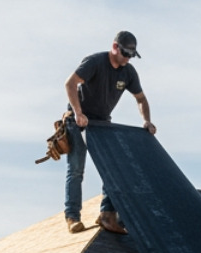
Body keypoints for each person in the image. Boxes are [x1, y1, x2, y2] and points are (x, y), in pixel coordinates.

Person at [63, 31, 155, 235]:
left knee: (113, 168)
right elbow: (70, 84)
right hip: (79, 121)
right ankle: (72, 217)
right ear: (115, 47)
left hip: (102, 123)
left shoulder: (128, 73)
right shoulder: (94, 62)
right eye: (125, 54)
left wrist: (146, 121)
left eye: (131, 55)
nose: (128, 59)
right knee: (76, 169)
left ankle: (107, 215)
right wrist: (78, 113)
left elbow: (141, 99)